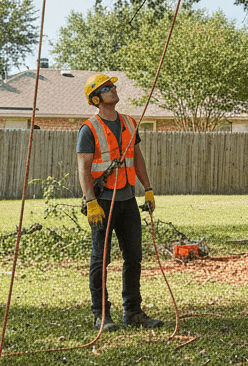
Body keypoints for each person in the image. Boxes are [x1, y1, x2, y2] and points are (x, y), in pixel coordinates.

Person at [77, 73, 163, 332]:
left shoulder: (128, 122)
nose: (113, 90)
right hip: (103, 202)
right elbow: (83, 168)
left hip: (127, 200)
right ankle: (101, 315)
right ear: (96, 98)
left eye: (113, 86)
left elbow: (137, 158)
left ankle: (133, 312)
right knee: (100, 259)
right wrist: (90, 201)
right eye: (106, 88)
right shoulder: (89, 128)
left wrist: (147, 189)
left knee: (134, 257)